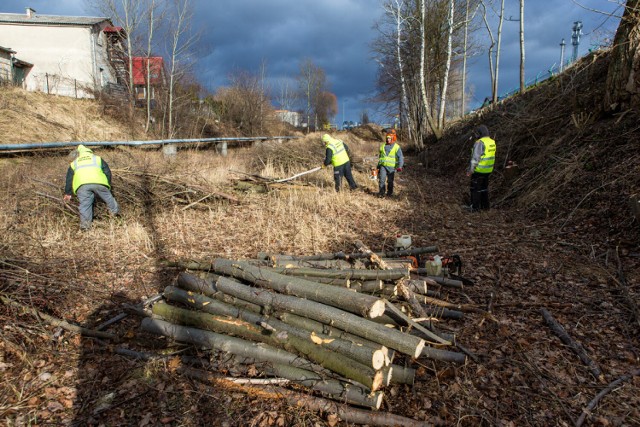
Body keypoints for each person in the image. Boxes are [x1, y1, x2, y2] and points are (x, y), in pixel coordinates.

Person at [63, 145, 119, 230]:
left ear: (78, 154)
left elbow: (69, 179)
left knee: (85, 206)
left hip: (82, 186)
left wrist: (68, 193)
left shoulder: (74, 163)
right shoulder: (97, 158)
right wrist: (108, 185)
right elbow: (107, 171)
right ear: (89, 151)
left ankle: (85, 227)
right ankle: (116, 216)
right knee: (109, 199)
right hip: (99, 182)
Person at [467, 124, 496, 212]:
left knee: (475, 189)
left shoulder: (480, 142)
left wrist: (470, 170)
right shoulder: (492, 142)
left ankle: (475, 208)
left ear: (480, 133)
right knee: (484, 188)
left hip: (478, 170)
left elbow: (475, 158)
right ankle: (485, 207)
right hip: (488, 170)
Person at [377, 132, 404, 198]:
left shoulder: (396, 147)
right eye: (387, 138)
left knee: (390, 181)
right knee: (381, 180)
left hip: (391, 167)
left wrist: (400, 166)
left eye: (389, 138)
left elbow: (400, 157)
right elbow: (381, 157)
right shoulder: (383, 146)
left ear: (393, 138)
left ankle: (389, 193)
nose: (388, 139)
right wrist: (378, 167)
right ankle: (381, 193)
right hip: (383, 166)